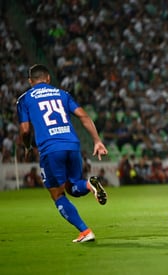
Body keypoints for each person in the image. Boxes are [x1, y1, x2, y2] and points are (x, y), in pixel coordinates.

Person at [16, 64, 108, 243]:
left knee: (57, 194)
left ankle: (85, 231)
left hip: (50, 149)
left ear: (30, 81)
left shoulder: (24, 99)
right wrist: (97, 140)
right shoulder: (62, 94)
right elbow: (83, 116)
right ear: (48, 78)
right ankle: (89, 185)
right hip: (72, 144)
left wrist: (27, 147)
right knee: (72, 186)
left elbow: (25, 130)